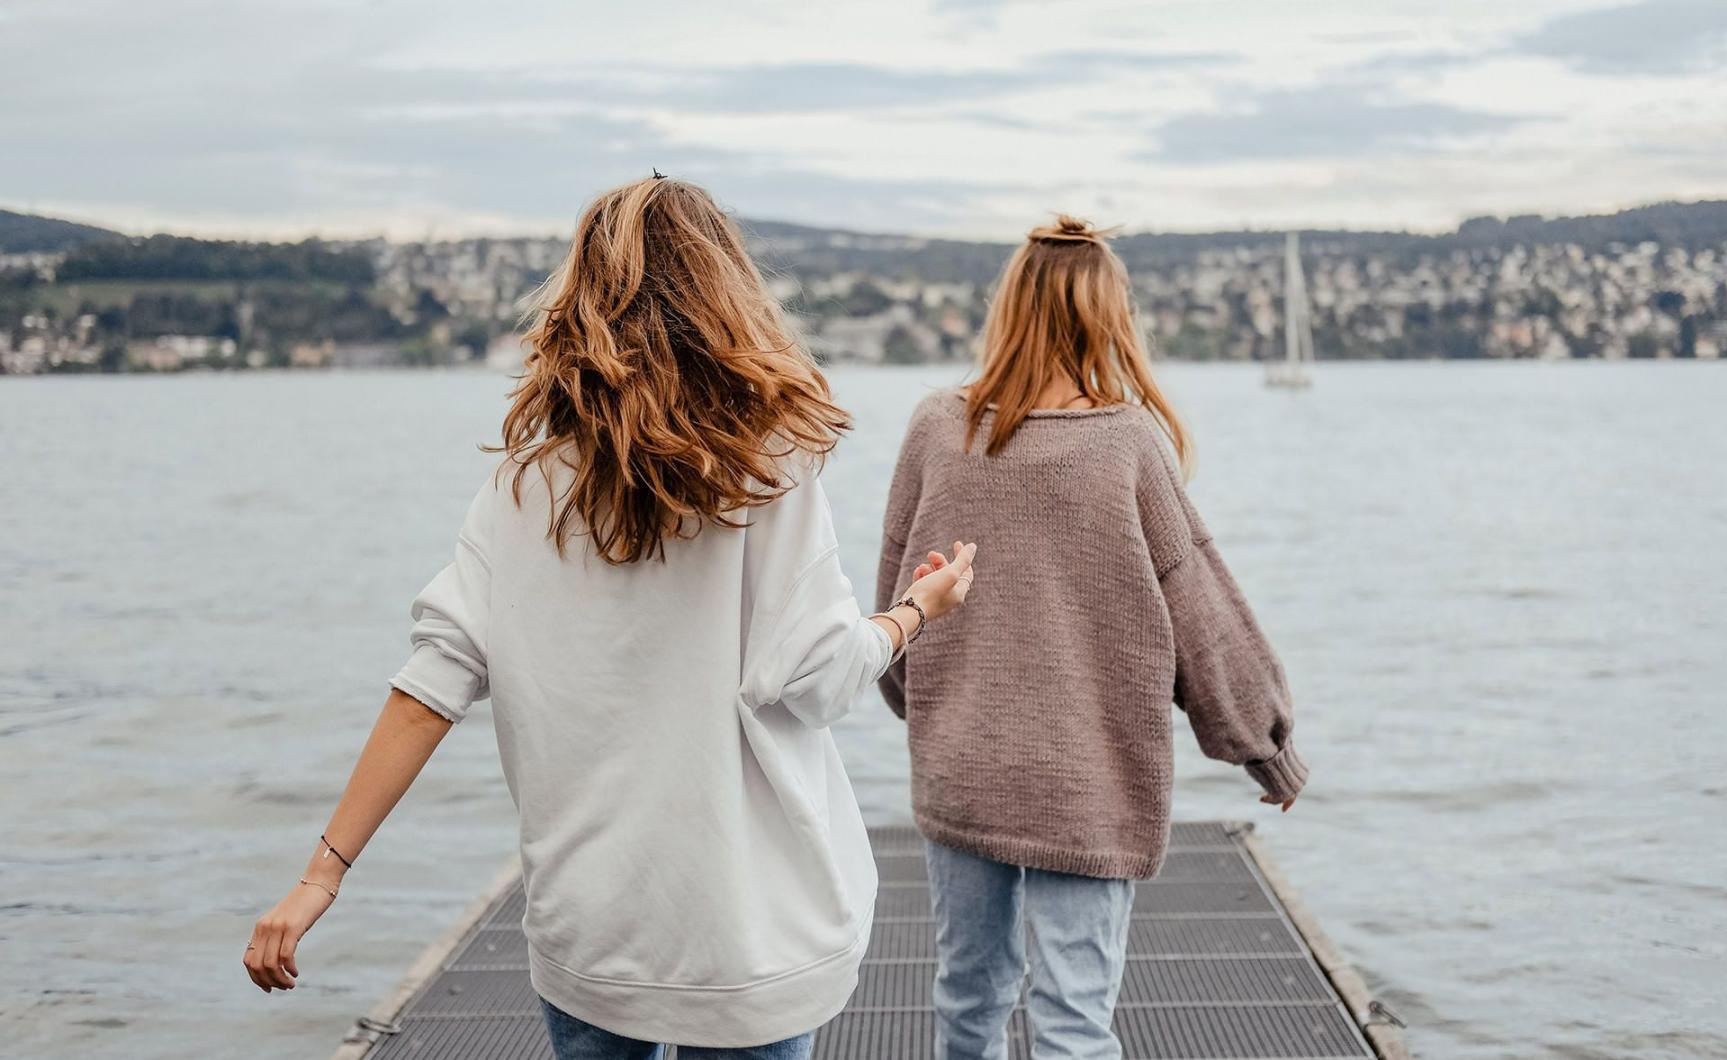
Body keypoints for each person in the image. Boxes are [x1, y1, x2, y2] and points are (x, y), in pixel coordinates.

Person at [242, 176, 977, 1060]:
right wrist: (911, 614)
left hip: (591, 933)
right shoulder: (772, 463)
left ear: (581, 299)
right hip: (746, 932)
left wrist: (320, 876)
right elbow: (813, 679)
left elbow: (426, 691)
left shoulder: (525, 484)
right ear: (727, 290)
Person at [876, 214, 1307, 1059]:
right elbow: (1203, 616)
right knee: (1075, 1025)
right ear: (1110, 319)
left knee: (968, 1004)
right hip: (1087, 782)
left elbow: (899, 597)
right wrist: (1264, 745)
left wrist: (930, 709)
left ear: (1009, 309)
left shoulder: (936, 426)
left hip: (963, 763)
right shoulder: (1125, 444)